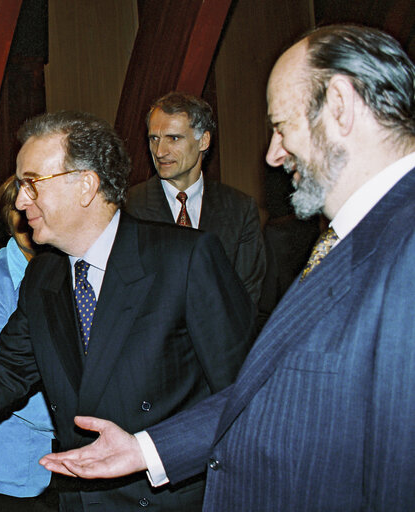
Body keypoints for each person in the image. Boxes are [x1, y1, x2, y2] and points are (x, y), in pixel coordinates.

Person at [40, 24, 415, 511]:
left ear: (340, 105)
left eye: (282, 126)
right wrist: (145, 450)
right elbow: (276, 389)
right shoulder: (358, 236)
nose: (273, 154)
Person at [0, 110, 255, 511]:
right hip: (80, 498)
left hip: (167, 495)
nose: (20, 199)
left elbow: (245, 396)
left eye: (32, 184)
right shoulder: (44, 276)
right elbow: (5, 372)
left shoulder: (184, 260)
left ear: (86, 186)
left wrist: (145, 451)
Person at [0, 175, 57, 511]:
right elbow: (6, 376)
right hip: (14, 462)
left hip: (74, 459)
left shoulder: (72, 270)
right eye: (17, 210)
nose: (26, 219)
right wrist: (76, 416)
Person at [125, 92, 266, 305]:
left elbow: (247, 298)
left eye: (173, 138)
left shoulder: (239, 209)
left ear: (204, 141)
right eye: (154, 139)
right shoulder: (127, 207)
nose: (160, 151)